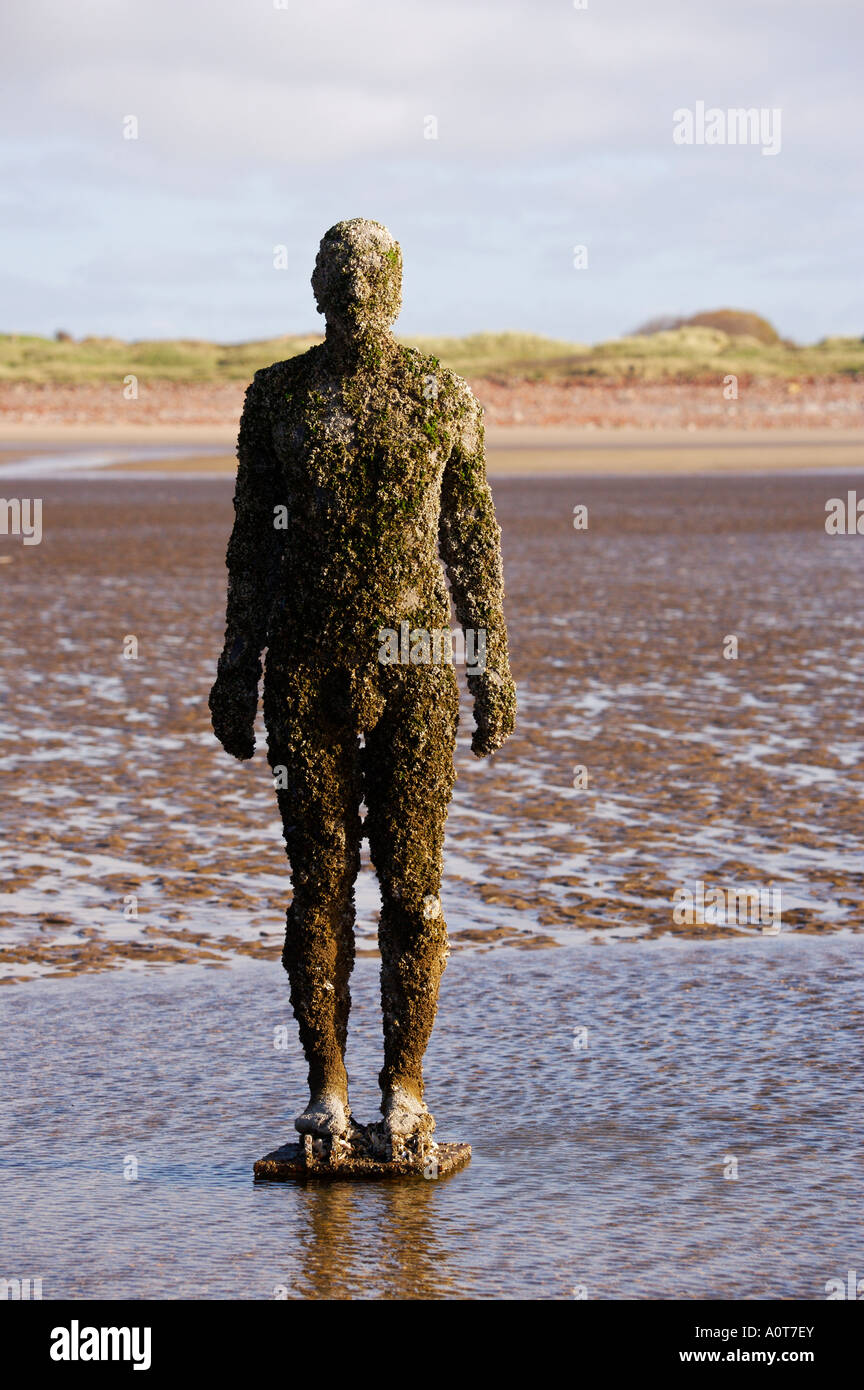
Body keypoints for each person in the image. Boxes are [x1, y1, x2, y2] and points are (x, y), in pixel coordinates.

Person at [209, 218, 516, 1151]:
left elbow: (473, 543)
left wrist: (489, 668)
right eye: (339, 272)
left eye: (369, 272)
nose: (354, 288)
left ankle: (408, 1091)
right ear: (315, 287)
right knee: (317, 888)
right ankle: (329, 1093)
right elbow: (253, 547)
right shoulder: (277, 400)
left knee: (415, 889)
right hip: (307, 666)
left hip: (419, 665)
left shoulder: (441, 396)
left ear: (395, 288)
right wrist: (237, 668)